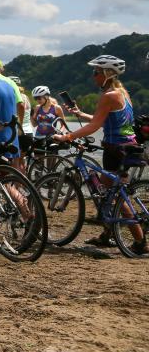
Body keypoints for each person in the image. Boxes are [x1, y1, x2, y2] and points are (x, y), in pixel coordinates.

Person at [53, 55, 146, 253]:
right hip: (126, 146)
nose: (93, 76)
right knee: (108, 193)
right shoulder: (121, 92)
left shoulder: (108, 96)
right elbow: (104, 120)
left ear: (107, 74)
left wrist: (67, 137)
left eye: (96, 72)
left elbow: (94, 126)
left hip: (116, 150)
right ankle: (108, 234)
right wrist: (80, 114)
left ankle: (139, 241)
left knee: (115, 195)